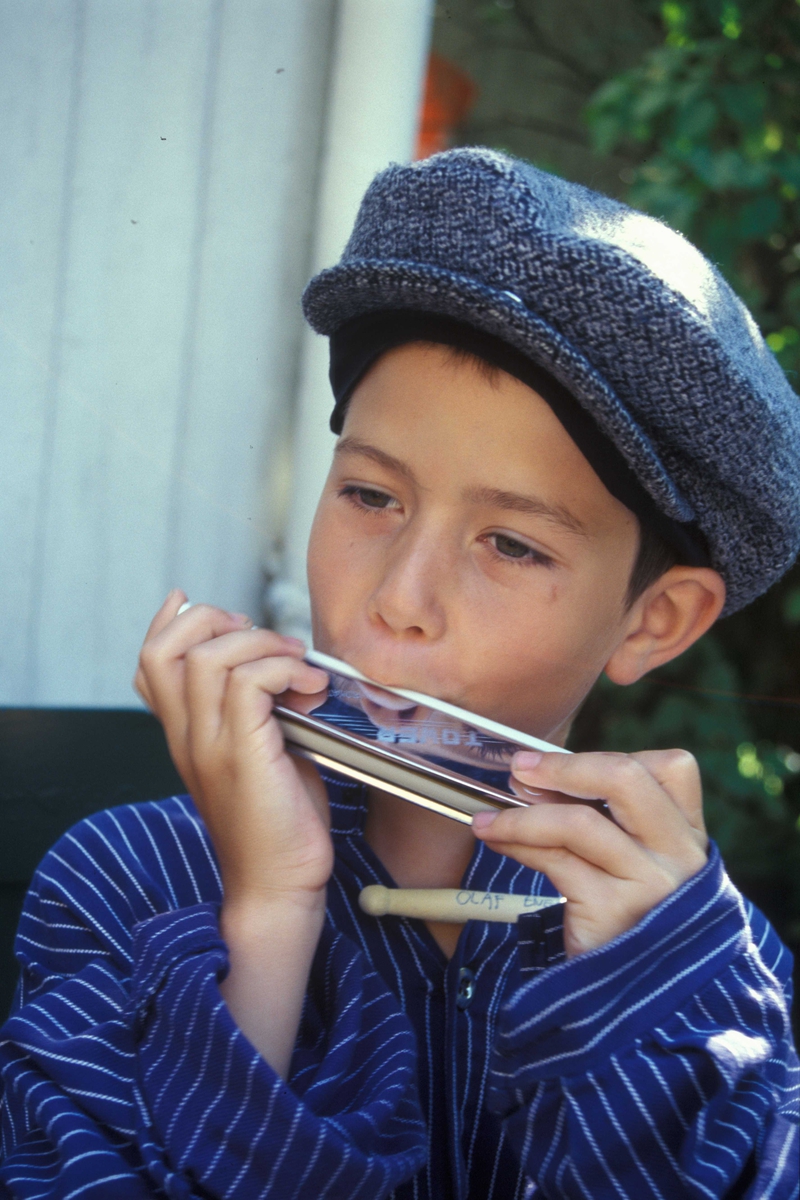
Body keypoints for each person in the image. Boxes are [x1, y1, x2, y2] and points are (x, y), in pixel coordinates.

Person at [1, 148, 798, 1199]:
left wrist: (640, 1015)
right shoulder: (126, 882)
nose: (398, 599)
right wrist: (268, 920)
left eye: (511, 545)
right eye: (371, 497)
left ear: (655, 618)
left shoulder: (697, 959)